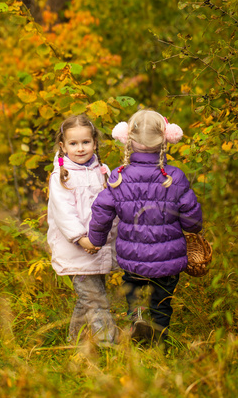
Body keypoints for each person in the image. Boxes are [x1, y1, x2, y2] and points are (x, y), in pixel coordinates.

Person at [87, 109, 203, 343]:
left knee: (134, 293)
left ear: (127, 139)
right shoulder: (175, 177)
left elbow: (101, 212)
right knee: (162, 301)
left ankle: (138, 320)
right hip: (168, 258)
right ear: (166, 139)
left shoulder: (118, 177)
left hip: (132, 256)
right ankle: (160, 341)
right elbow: (192, 221)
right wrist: (192, 226)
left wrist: (95, 241)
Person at [47, 114, 118, 346]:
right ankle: (108, 346)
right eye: (73, 143)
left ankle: (73, 341)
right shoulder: (61, 176)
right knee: (96, 300)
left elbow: (111, 208)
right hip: (78, 249)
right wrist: (81, 238)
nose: (80, 149)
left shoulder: (102, 172)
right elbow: (64, 213)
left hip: (99, 247)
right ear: (63, 146)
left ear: (95, 143)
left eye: (85, 142)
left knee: (88, 298)